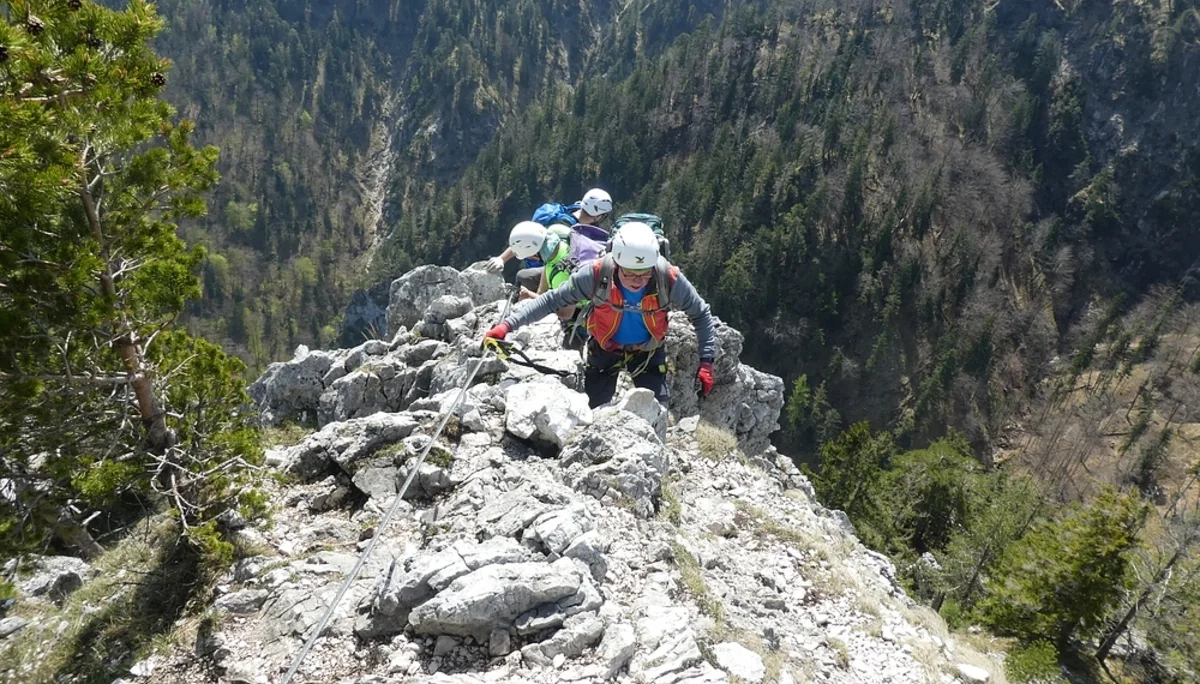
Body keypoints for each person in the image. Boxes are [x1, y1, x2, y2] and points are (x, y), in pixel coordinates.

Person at [482, 222, 715, 409]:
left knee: (656, 415)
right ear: (616, 264)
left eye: (644, 274)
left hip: (648, 354)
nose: (637, 281)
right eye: (630, 273)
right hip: (604, 351)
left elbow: (701, 314)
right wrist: (506, 326)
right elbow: (552, 299)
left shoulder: (668, 278)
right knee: (595, 414)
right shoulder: (596, 274)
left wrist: (707, 362)